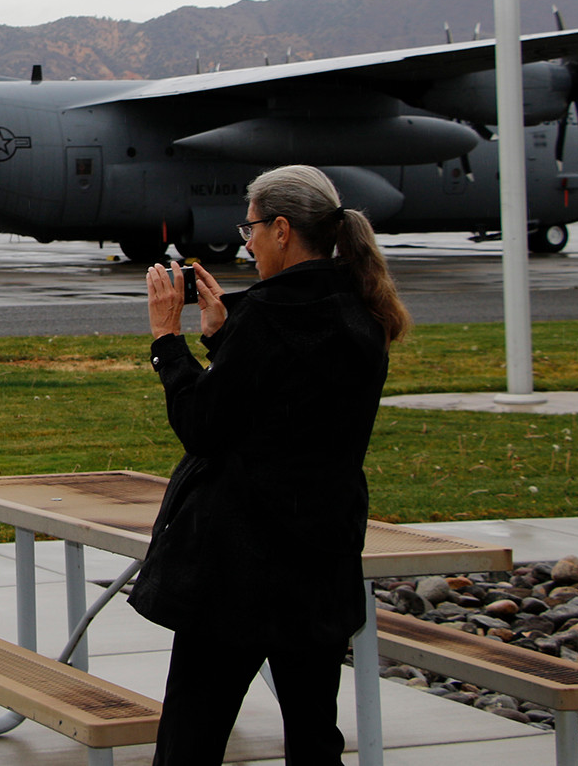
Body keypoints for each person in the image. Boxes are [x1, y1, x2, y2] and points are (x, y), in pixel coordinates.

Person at [128, 164, 411, 766]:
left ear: (282, 229)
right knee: (314, 739)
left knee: (190, 739)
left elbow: (205, 427)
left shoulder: (267, 315)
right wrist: (224, 339)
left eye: (251, 227)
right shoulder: (361, 311)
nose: (246, 241)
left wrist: (166, 343)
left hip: (237, 567)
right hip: (320, 559)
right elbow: (287, 406)